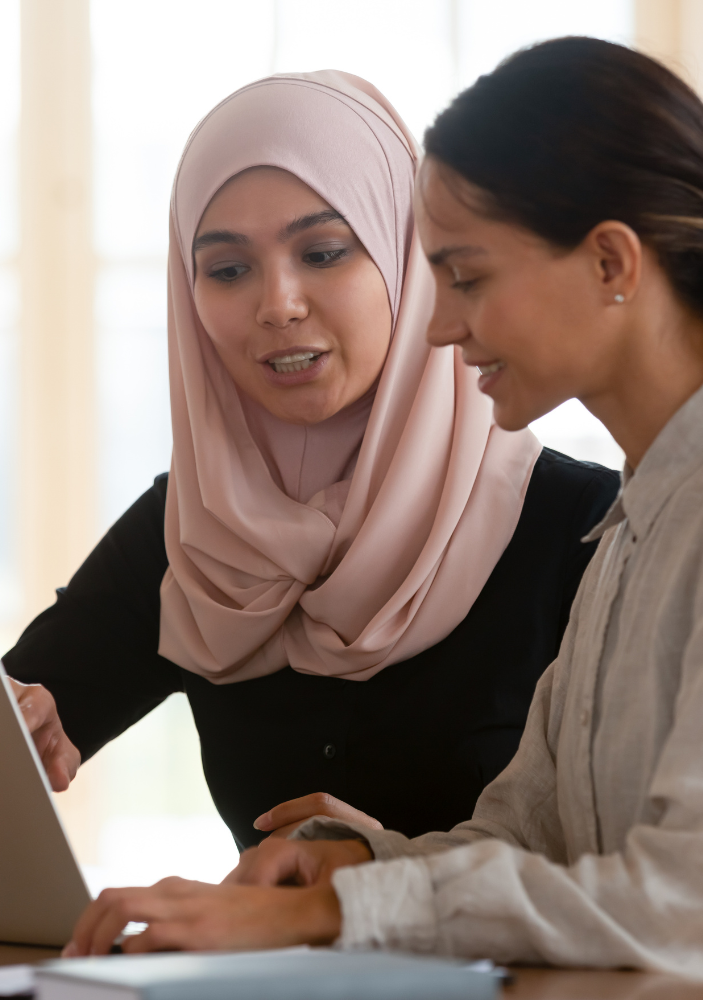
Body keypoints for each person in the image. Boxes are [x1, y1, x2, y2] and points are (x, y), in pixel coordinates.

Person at [61, 39, 703, 975]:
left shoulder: (619, 519)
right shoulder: (636, 529)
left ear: (611, 261)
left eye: (469, 277)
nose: (437, 324)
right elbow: (531, 840)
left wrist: (321, 917)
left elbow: (683, 903)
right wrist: (357, 862)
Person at [4, 71, 616, 853]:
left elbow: (643, 869)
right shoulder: (193, 529)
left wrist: (383, 877)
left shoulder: (592, 533)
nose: (277, 304)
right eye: (227, 270)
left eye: (324, 252)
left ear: (412, 260)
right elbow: (10, 720)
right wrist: (13, 723)